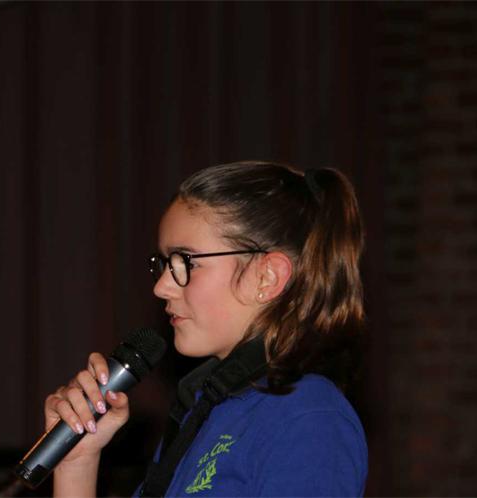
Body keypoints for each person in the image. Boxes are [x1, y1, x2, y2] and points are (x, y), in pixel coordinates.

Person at [45, 161, 368, 497]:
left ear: (266, 277)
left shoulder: (310, 417)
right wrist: (77, 463)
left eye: (186, 261)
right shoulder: (204, 409)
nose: (162, 287)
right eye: (164, 264)